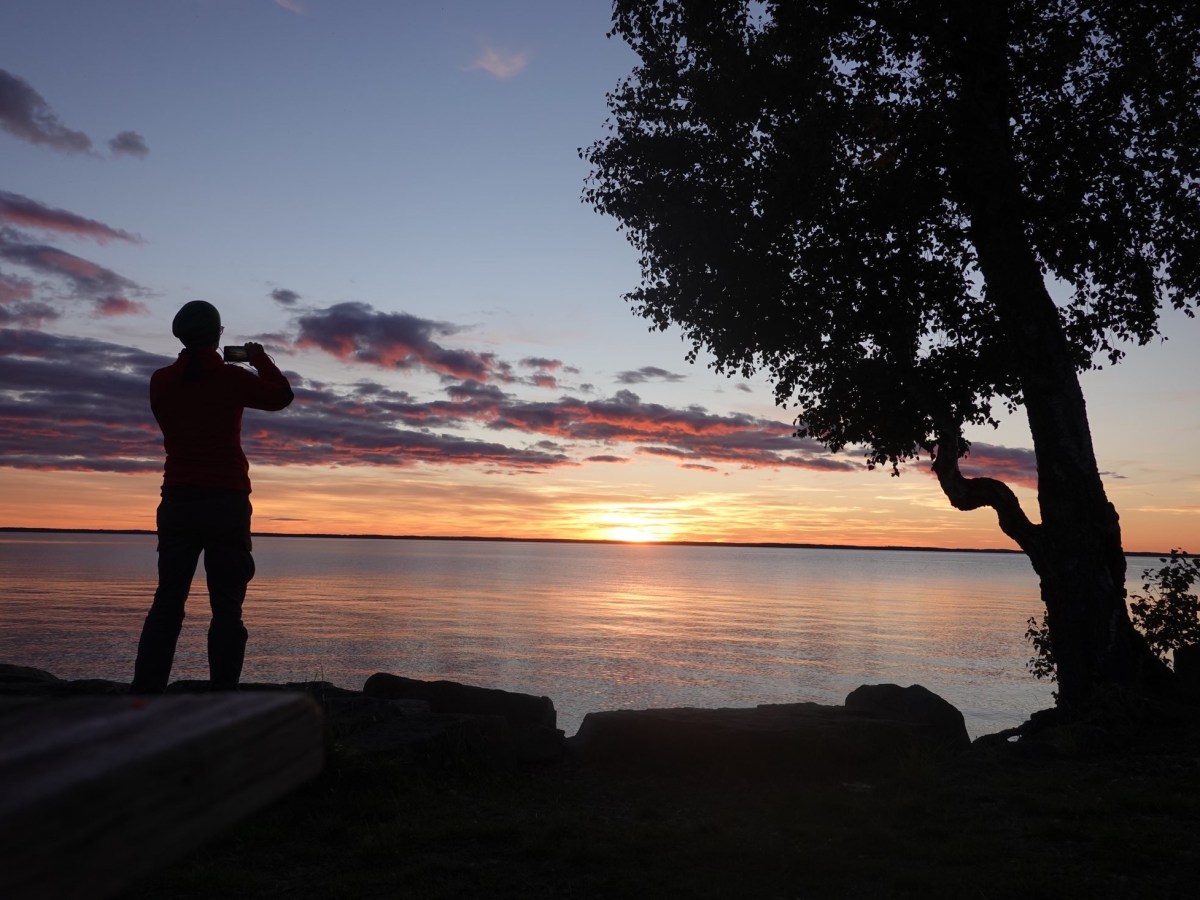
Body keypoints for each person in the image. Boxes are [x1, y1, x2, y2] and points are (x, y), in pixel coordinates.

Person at [131, 300, 294, 693]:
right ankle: (222, 694)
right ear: (218, 336)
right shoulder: (230, 378)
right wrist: (258, 358)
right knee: (227, 607)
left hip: (178, 501)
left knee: (168, 601)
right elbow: (281, 396)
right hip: (225, 500)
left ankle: (146, 693)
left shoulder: (161, 380)